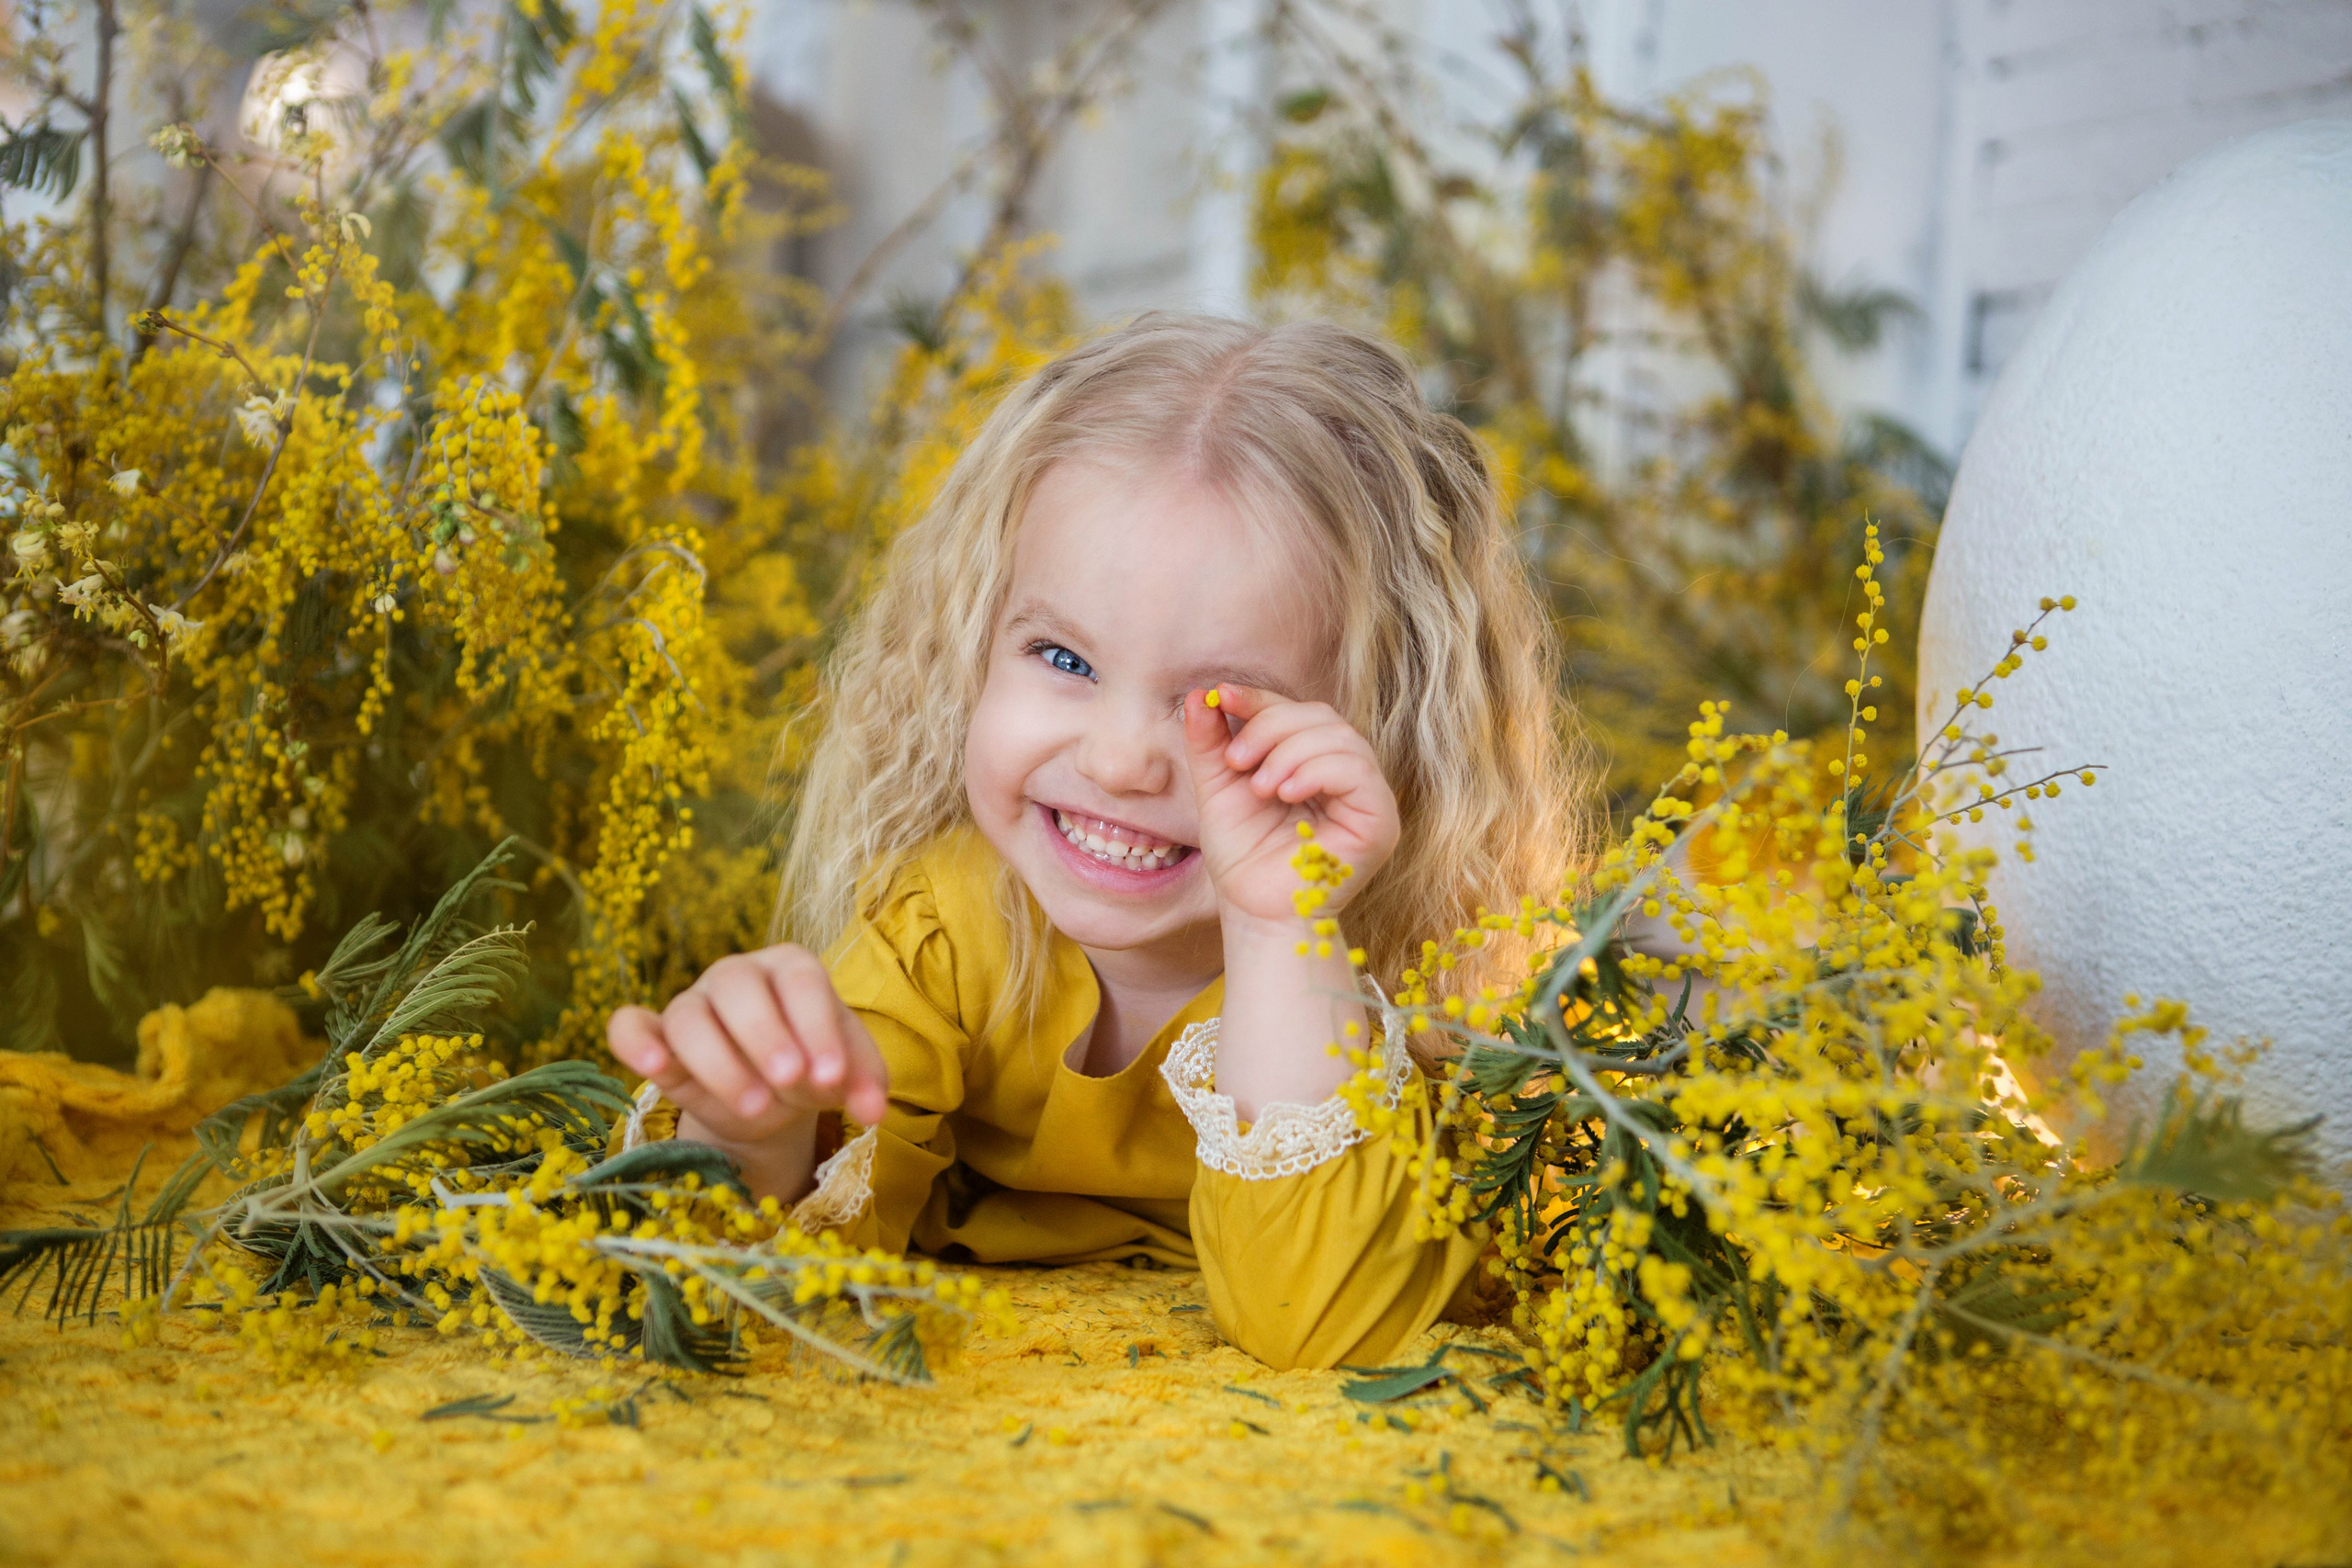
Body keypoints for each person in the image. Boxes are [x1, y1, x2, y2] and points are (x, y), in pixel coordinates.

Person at [605, 314, 1586, 1369]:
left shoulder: (1418, 986)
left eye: (1220, 703)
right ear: (975, 646)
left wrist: (1280, 923)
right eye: (1062, 659)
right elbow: (769, 1279)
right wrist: (756, 1130)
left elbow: (1315, 1321)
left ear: (1386, 734)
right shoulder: (947, 929)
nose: (1121, 760)